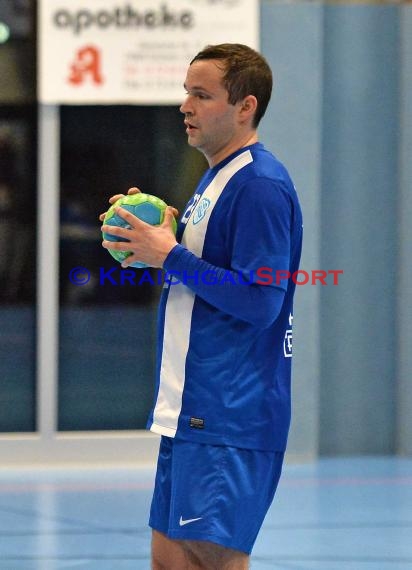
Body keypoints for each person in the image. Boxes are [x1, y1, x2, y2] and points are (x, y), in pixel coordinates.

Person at [101, 43, 303, 570]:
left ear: (245, 107)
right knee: (170, 560)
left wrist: (170, 255)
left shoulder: (258, 184)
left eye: (201, 94)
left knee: (209, 560)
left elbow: (261, 300)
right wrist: (155, 243)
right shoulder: (216, 176)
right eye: (185, 92)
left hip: (229, 413)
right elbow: (198, 272)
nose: (185, 106)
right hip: (191, 410)